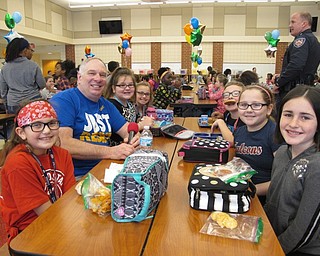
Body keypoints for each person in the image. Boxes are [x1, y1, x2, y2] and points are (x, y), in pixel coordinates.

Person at [0, 100, 76, 244]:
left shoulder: (63, 155)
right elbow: (45, 214)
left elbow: (69, 199)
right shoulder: (18, 163)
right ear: (21, 132)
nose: (46, 131)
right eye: (37, 125)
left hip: (59, 220)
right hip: (29, 232)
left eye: (52, 123)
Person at [50, 58, 139, 179]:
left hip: (106, 170)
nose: (98, 78)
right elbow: (63, 143)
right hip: (75, 176)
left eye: (102, 75)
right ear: (79, 77)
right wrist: (111, 152)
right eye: (92, 73)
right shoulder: (64, 100)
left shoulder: (106, 105)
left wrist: (135, 138)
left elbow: (127, 130)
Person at [265, 85, 320, 256]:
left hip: (299, 249)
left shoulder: (317, 165)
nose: (293, 124)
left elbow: (304, 230)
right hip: (272, 236)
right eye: (288, 114)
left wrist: (271, 250)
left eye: (305, 117)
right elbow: (273, 200)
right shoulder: (282, 153)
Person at [234, 84, 281, 204]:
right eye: (244, 105)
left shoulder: (274, 134)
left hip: (262, 199)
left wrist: (250, 190)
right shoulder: (239, 132)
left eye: (256, 105)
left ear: (269, 109)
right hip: (240, 191)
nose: (249, 110)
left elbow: (282, 180)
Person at [274, 12, 320, 104]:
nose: (290, 25)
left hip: (293, 90)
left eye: (293, 22)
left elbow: (296, 65)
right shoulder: (313, 40)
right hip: (305, 87)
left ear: (304, 24)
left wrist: (279, 82)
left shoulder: (301, 40)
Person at [104, 67, 152, 145]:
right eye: (122, 85)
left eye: (130, 85)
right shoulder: (110, 105)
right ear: (113, 88)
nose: (127, 88)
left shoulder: (130, 104)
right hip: (115, 150)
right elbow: (121, 130)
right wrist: (141, 125)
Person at [0, 38, 45, 114]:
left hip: (13, 103)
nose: (31, 53)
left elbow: (3, 90)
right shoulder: (33, 66)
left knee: (15, 124)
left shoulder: (5, 68)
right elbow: (42, 84)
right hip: (32, 101)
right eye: (30, 50)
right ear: (25, 51)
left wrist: (6, 104)